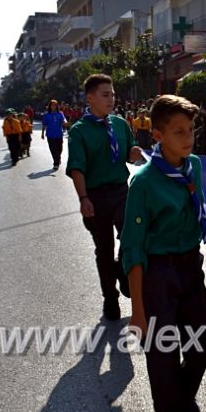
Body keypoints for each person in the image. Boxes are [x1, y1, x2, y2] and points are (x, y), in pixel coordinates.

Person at [120, 94, 206, 412]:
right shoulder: (143, 183)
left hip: (191, 267)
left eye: (190, 130)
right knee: (163, 354)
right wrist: (138, 311)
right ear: (157, 135)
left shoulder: (195, 166)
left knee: (201, 344)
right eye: (178, 132)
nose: (188, 138)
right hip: (157, 274)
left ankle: (183, 397)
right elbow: (133, 249)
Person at [67, 73, 143, 320]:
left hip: (122, 191)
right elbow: (77, 167)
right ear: (90, 98)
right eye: (105, 94)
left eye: (112, 94)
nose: (111, 99)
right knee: (104, 248)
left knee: (132, 238)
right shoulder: (79, 131)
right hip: (96, 197)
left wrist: (135, 152)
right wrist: (83, 199)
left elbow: (129, 155)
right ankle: (110, 298)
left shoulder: (120, 124)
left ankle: (122, 270)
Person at [41, 99, 68, 170]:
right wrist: (42, 133)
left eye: (55, 105)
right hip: (50, 135)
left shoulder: (60, 113)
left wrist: (65, 122)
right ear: (50, 106)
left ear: (57, 106)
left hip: (59, 134)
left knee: (60, 149)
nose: (53, 106)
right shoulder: (46, 115)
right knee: (53, 149)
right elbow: (44, 124)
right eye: (52, 105)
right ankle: (56, 163)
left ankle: (58, 158)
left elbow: (64, 120)